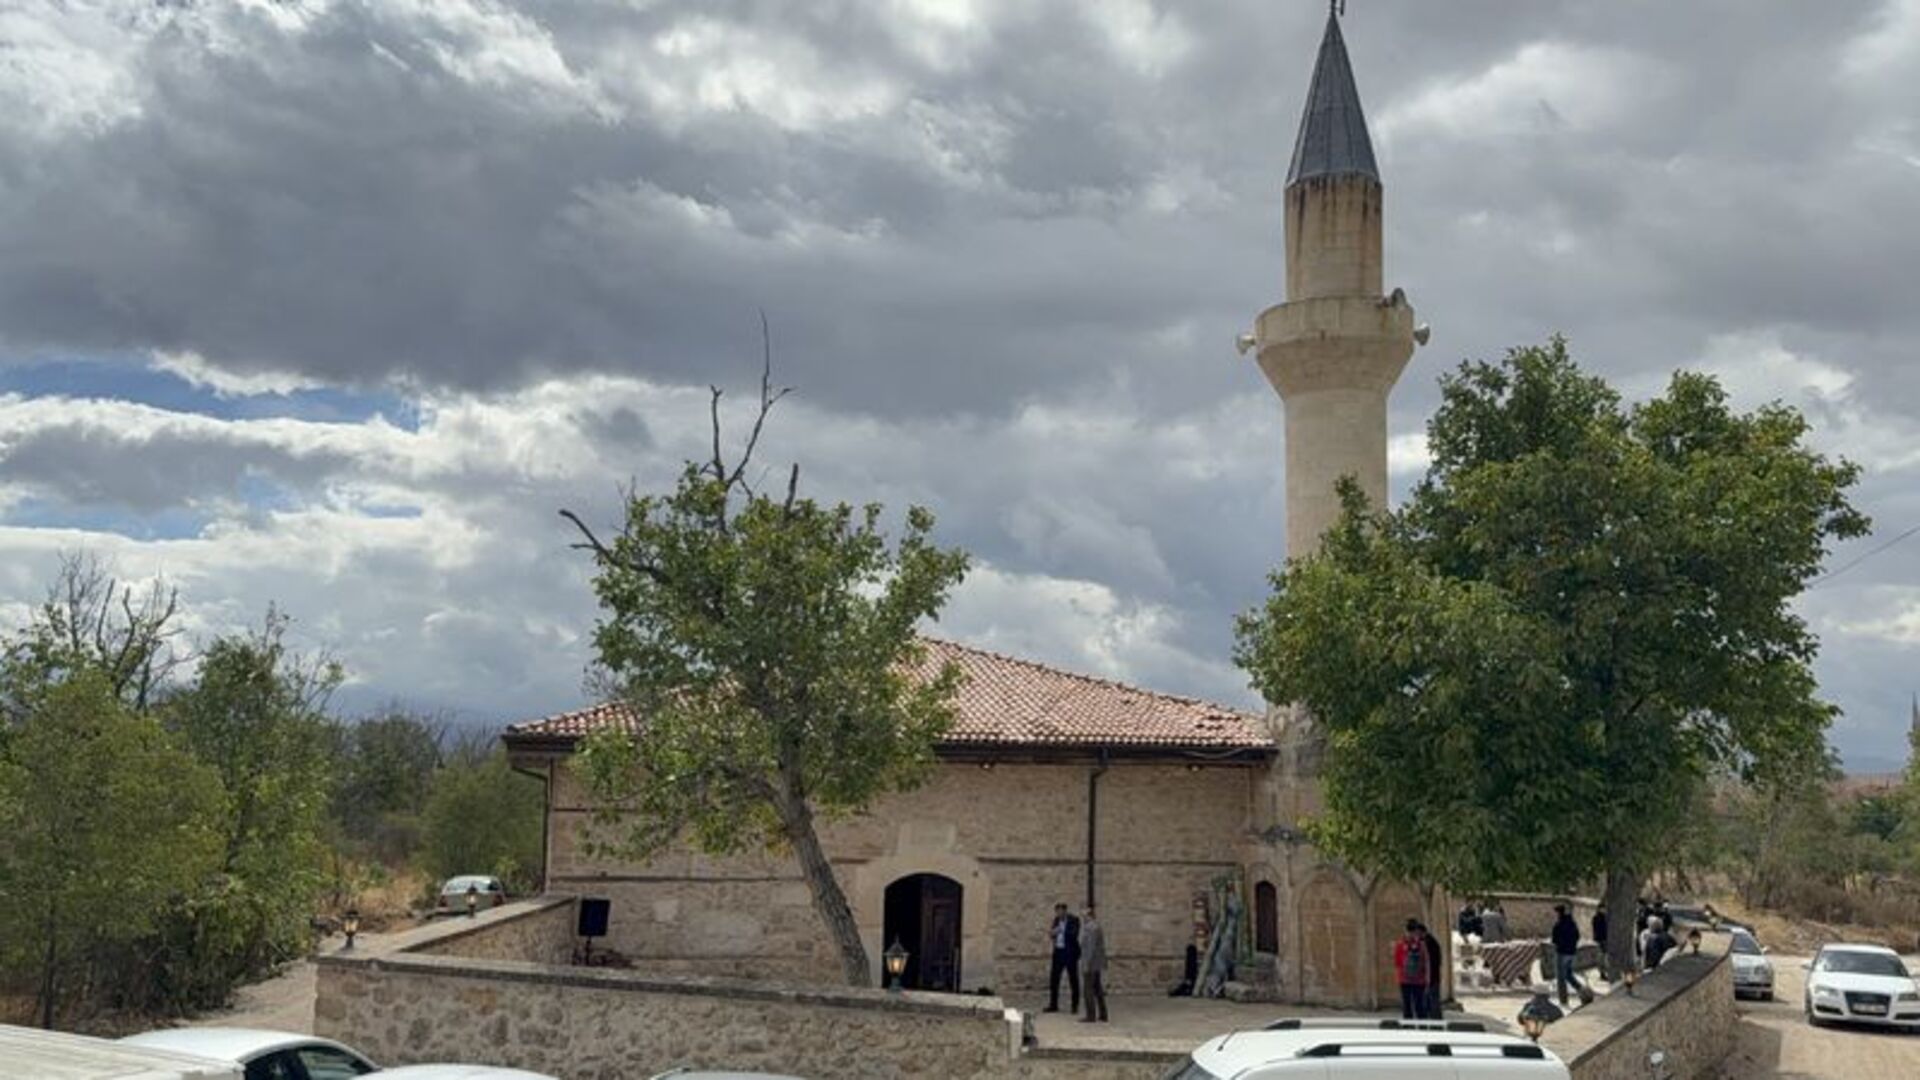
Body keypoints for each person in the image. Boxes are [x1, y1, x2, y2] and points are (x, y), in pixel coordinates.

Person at [1046, 902, 1081, 1013]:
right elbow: (1052, 934)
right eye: (1057, 911)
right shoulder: (1056, 920)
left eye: (1060, 911)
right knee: (1054, 979)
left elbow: (1074, 934)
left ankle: (1074, 1005)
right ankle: (1053, 1004)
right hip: (1058, 952)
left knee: (1073, 980)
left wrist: (1062, 930)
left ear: (1065, 911)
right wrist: (1052, 933)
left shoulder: (1074, 920)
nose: (1059, 913)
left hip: (1070, 953)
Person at [1550, 904, 1589, 1007]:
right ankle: (1581, 990)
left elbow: (1554, 940)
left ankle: (1563, 1000)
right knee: (1568, 974)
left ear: (1559, 913)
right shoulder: (1572, 924)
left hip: (1561, 952)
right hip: (1571, 952)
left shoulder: (1558, 925)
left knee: (1561, 978)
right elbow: (1577, 936)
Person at [1392, 919, 1429, 1020]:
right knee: (1420, 1006)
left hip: (1404, 980)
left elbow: (1397, 962)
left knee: (1407, 1006)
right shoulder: (1422, 945)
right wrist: (1427, 979)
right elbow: (1426, 962)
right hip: (1419, 980)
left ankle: (1408, 1031)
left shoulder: (1400, 945)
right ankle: (1423, 1030)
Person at [1080, 904, 1109, 1023]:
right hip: (1097, 963)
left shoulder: (1091, 928)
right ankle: (1103, 1014)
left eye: (1084, 915)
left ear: (1089, 916)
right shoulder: (1096, 926)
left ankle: (1091, 1015)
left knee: (1088, 990)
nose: (1083, 917)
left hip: (1091, 963)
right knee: (1098, 989)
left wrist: (1086, 964)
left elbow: (1090, 948)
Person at [1420, 921, 1446, 1019]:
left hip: (1432, 977)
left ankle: (1436, 1020)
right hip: (1434, 976)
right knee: (1433, 999)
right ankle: (1435, 1018)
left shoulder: (1428, 943)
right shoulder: (1431, 941)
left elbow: (1430, 962)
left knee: (1433, 999)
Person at [1590, 906, 1611, 981]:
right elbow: (1596, 929)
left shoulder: (1604, 917)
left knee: (1604, 957)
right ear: (1599, 909)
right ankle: (1602, 973)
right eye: (1603, 909)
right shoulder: (1597, 918)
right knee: (1602, 957)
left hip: (1604, 939)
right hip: (1601, 939)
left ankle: (1604, 973)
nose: (1604, 910)